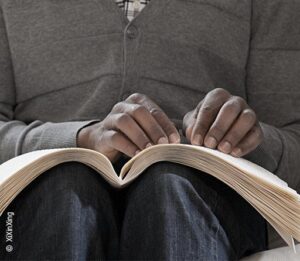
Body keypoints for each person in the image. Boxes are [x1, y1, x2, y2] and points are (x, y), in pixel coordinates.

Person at [0, 0, 299, 260]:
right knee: (64, 189)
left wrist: (241, 138)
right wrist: (79, 140)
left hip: (205, 191)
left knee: (170, 186)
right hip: (41, 197)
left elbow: (293, 144)